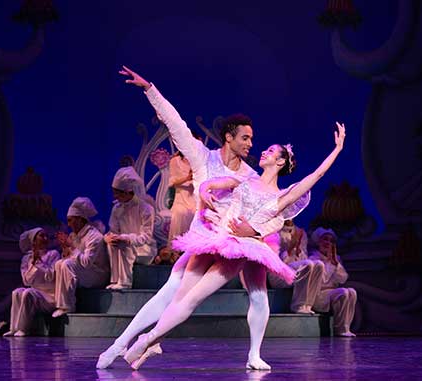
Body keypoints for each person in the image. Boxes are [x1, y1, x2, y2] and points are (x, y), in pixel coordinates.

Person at [97, 66, 284, 370]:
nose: (251, 144)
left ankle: (252, 353)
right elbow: (176, 125)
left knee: (254, 294)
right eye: (245, 138)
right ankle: (120, 344)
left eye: (252, 139)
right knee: (167, 294)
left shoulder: (250, 176)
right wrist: (150, 90)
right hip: (201, 242)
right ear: (228, 137)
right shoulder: (202, 158)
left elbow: (265, 210)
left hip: (227, 246)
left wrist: (255, 232)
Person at [124, 124, 346, 370]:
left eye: (271, 151)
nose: (263, 152)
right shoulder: (246, 179)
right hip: (223, 239)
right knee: (189, 297)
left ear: (281, 162)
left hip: (248, 248)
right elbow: (212, 183)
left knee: (257, 298)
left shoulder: (282, 196)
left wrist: (337, 150)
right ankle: (150, 340)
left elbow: (315, 177)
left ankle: (253, 354)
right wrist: (206, 190)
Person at [52, 197, 109, 318]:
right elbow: (70, 257)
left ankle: (67, 305)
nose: (68, 224)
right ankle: (60, 303)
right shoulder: (74, 236)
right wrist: (65, 248)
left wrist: (71, 247)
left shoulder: (94, 236)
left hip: (97, 274)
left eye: (70, 220)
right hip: (85, 271)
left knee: (66, 264)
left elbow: (86, 262)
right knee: (59, 263)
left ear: (80, 220)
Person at [105, 166, 157, 289]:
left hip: (144, 249)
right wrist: (108, 238)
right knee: (112, 243)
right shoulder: (117, 208)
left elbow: (146, 237)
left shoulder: (146, 209)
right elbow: (113, 231)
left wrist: (127, 238)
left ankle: (124, 282)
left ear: (128, 192)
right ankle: (115, 279)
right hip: (124, 246)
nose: (115, 196)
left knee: (123, 244)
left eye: (117, 192)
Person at [4, 227, 61, 337]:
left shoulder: (53, 254)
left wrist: (39, 263)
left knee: (28, 293)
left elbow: (50, 276)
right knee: (16, 292)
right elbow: (26, 281)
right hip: (36, 293)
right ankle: (13, 328)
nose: (45, 238)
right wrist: (33, 263)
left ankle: (23, 329)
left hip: (50, 296)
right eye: (41, 236)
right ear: (33, 241)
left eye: (46, 236)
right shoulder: (27, 259)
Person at [267, 219, 325, 314]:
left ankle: (308, 304)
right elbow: (273, 261)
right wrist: (289, 251)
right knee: (308, 264)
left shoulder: (300, 232)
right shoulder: (274, 231)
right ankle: (298, 305)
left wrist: (298, 250)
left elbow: (304, 259)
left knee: (319, 264)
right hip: (278, 272)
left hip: (294, 270)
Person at [308, 227, 357, 337]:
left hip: (332, 294)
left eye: (331, 241)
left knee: (352, 291)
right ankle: (339, 329)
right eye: (325, 239)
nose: (328, 243)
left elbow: (343, 279)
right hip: (318, 295)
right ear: (318, 241)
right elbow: (323, 280)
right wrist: (331, 264)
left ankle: (346, 328)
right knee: (343, 292)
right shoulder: (313, 258)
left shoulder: (336, 259)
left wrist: (335, 263)